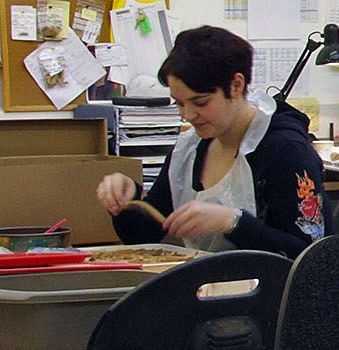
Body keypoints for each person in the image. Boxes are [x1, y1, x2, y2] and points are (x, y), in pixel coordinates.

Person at [94, 26, 326, 258]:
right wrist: (128, 201)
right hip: (207, 286)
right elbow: (144, 236)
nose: (187, 115)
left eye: (200, 102)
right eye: (179, 103)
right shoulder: (190, 148)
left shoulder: (286, 151)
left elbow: (310, 256)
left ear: (236, 85)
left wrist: (233, 222)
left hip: (268, 290)